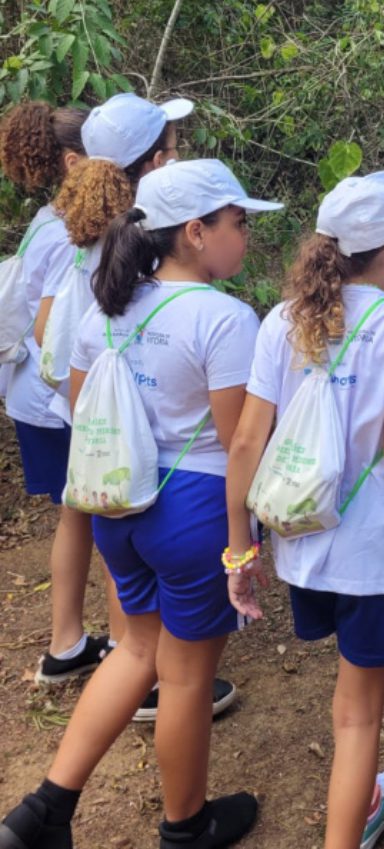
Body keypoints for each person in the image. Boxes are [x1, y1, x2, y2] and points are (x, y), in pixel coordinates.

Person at [0, 158, 280, 849]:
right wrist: (248, 536)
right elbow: (235, 439)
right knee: (186, 677)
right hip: (194, 513)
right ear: (195, 231)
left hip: (117, 505)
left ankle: (43, 810)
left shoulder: (106, 306)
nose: (246, 236)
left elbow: (78, 406)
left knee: (136, 649)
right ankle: (187, 826)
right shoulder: (224, 318)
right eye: (238, 222)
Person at [224, 170, 384, 849]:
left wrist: (240, 548)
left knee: (346, 702)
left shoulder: (283, 322)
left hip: (303, 546)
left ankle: (362, 805)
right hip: (372, 550)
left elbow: (244, 441)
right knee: (357, 716)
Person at [0, 101, 112, 680]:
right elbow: (52, 329)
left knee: (78, 514)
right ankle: (127, 651)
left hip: (35, 396)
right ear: (74, 161)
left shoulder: (50, 222)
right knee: (103, 508)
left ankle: (69, 643)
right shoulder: (63, 232)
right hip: (54, 400)